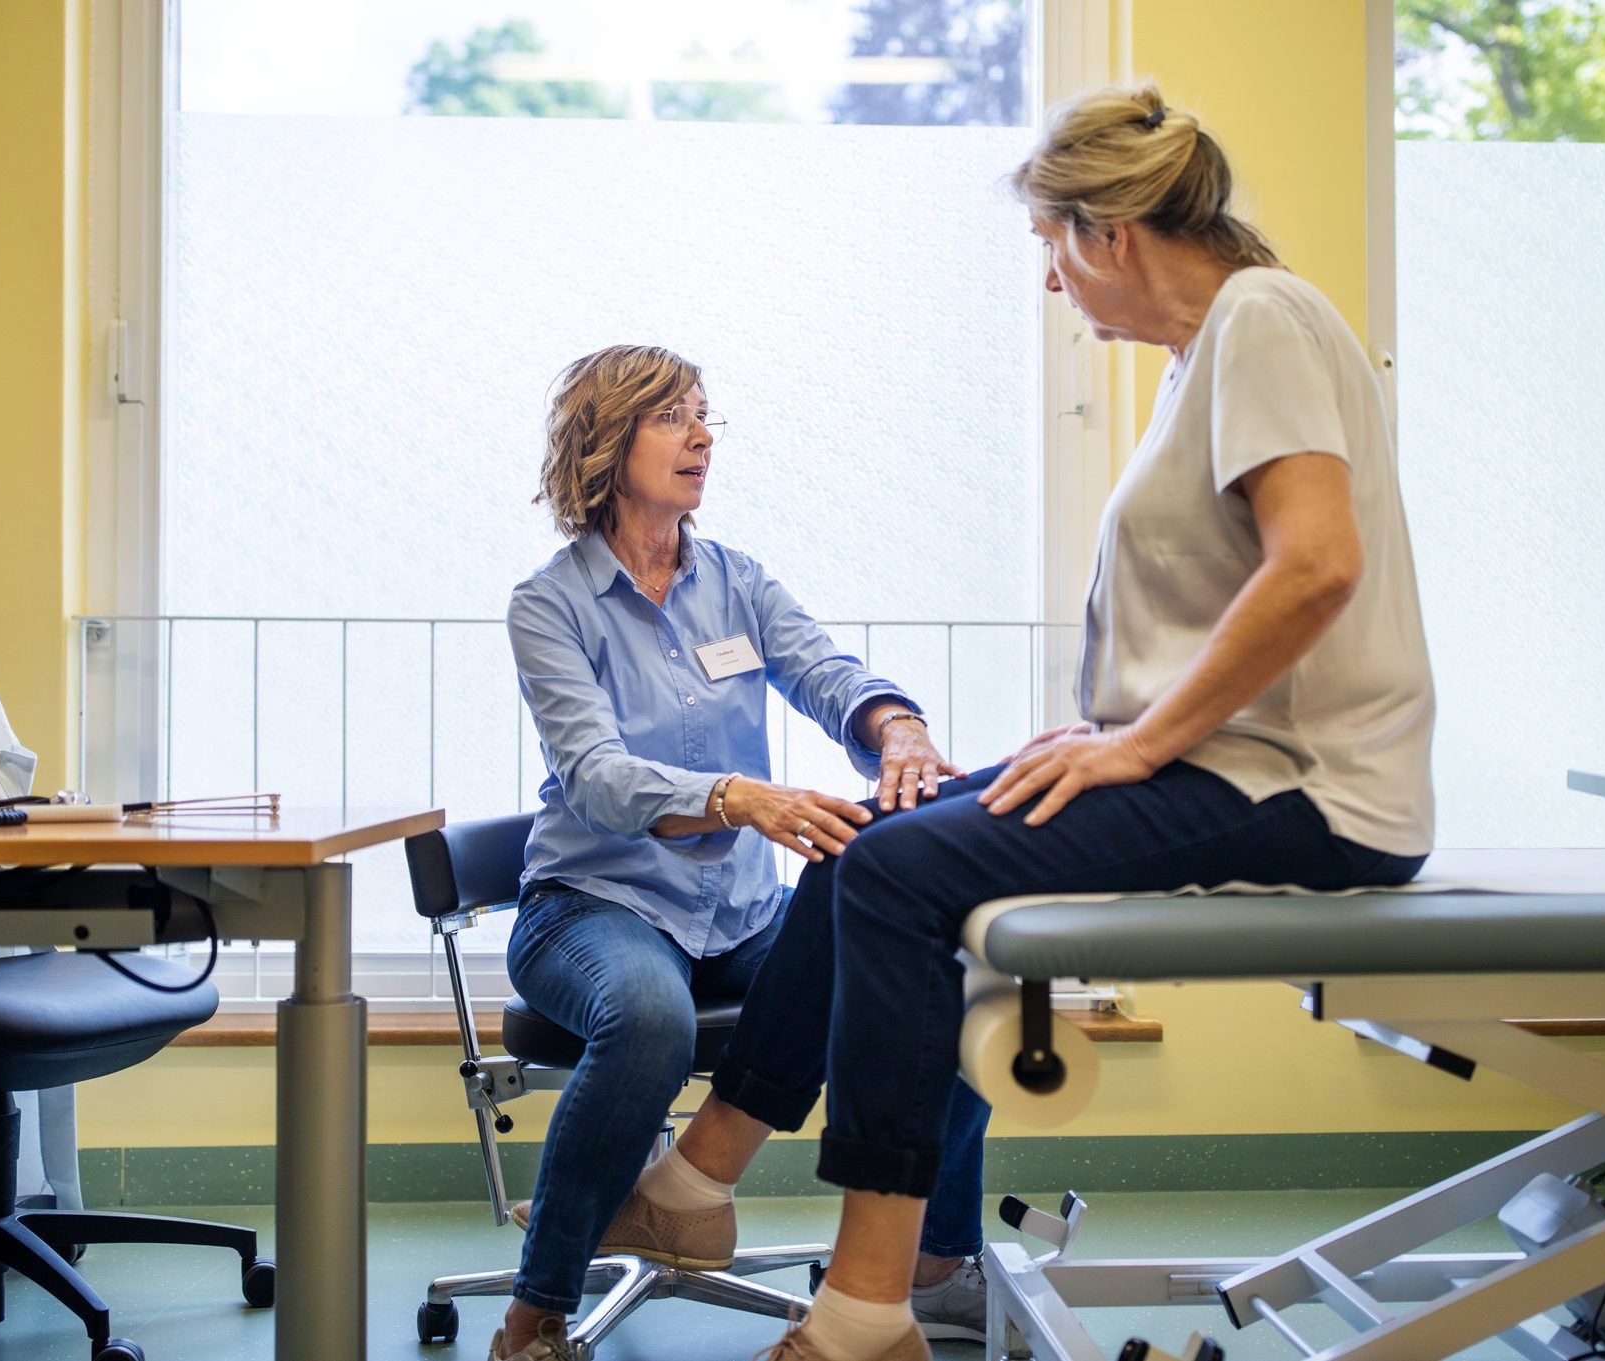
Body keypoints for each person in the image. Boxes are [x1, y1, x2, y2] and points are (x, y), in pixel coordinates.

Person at [610, 80, 1440, 1361]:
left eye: (1052, 248)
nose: (1052, 285)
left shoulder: (1260, 317)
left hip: (1307, 790)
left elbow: (1316, 564)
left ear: (1108, 232)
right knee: (875, 826)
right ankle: (705, 1180)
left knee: (894, 871)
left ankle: (860, 1303)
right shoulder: (1207, 354)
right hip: (1232, 761)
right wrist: (1110, 731)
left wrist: (1141, 741)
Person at [497, 344, 995, 1361]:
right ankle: (537, 1307)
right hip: (593, 905)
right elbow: (594, 773)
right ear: (607, 439)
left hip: (738, 914)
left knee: (934, 981)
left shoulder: (737, 582)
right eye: (674, 417)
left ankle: (937, 1265)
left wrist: (896, 724)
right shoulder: (549, 604)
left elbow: (826, 671)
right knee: (647, 1017)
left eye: (705, 415)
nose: (703, 436)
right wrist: (736, 797)